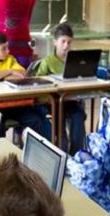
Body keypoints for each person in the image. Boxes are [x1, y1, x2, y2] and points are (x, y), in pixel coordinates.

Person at [0, 29, 51, 140]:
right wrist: (9, 72)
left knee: (36, 120)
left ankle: (35, 153)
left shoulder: (10, 59)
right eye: (3, 49)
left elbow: (23, 74)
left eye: (7, 47)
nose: (8, 51)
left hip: (14, 104)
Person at [35, 22, 87, 154]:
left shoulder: (76, 60)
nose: (66, 46)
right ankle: (62, 152)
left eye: (69, 42)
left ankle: (76, 153)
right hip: (53, 103)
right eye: (63, 41)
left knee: (79, 115)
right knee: (60, 123)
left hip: (71, 100)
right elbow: (37, 82)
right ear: (55, 42)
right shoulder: (48, 61)